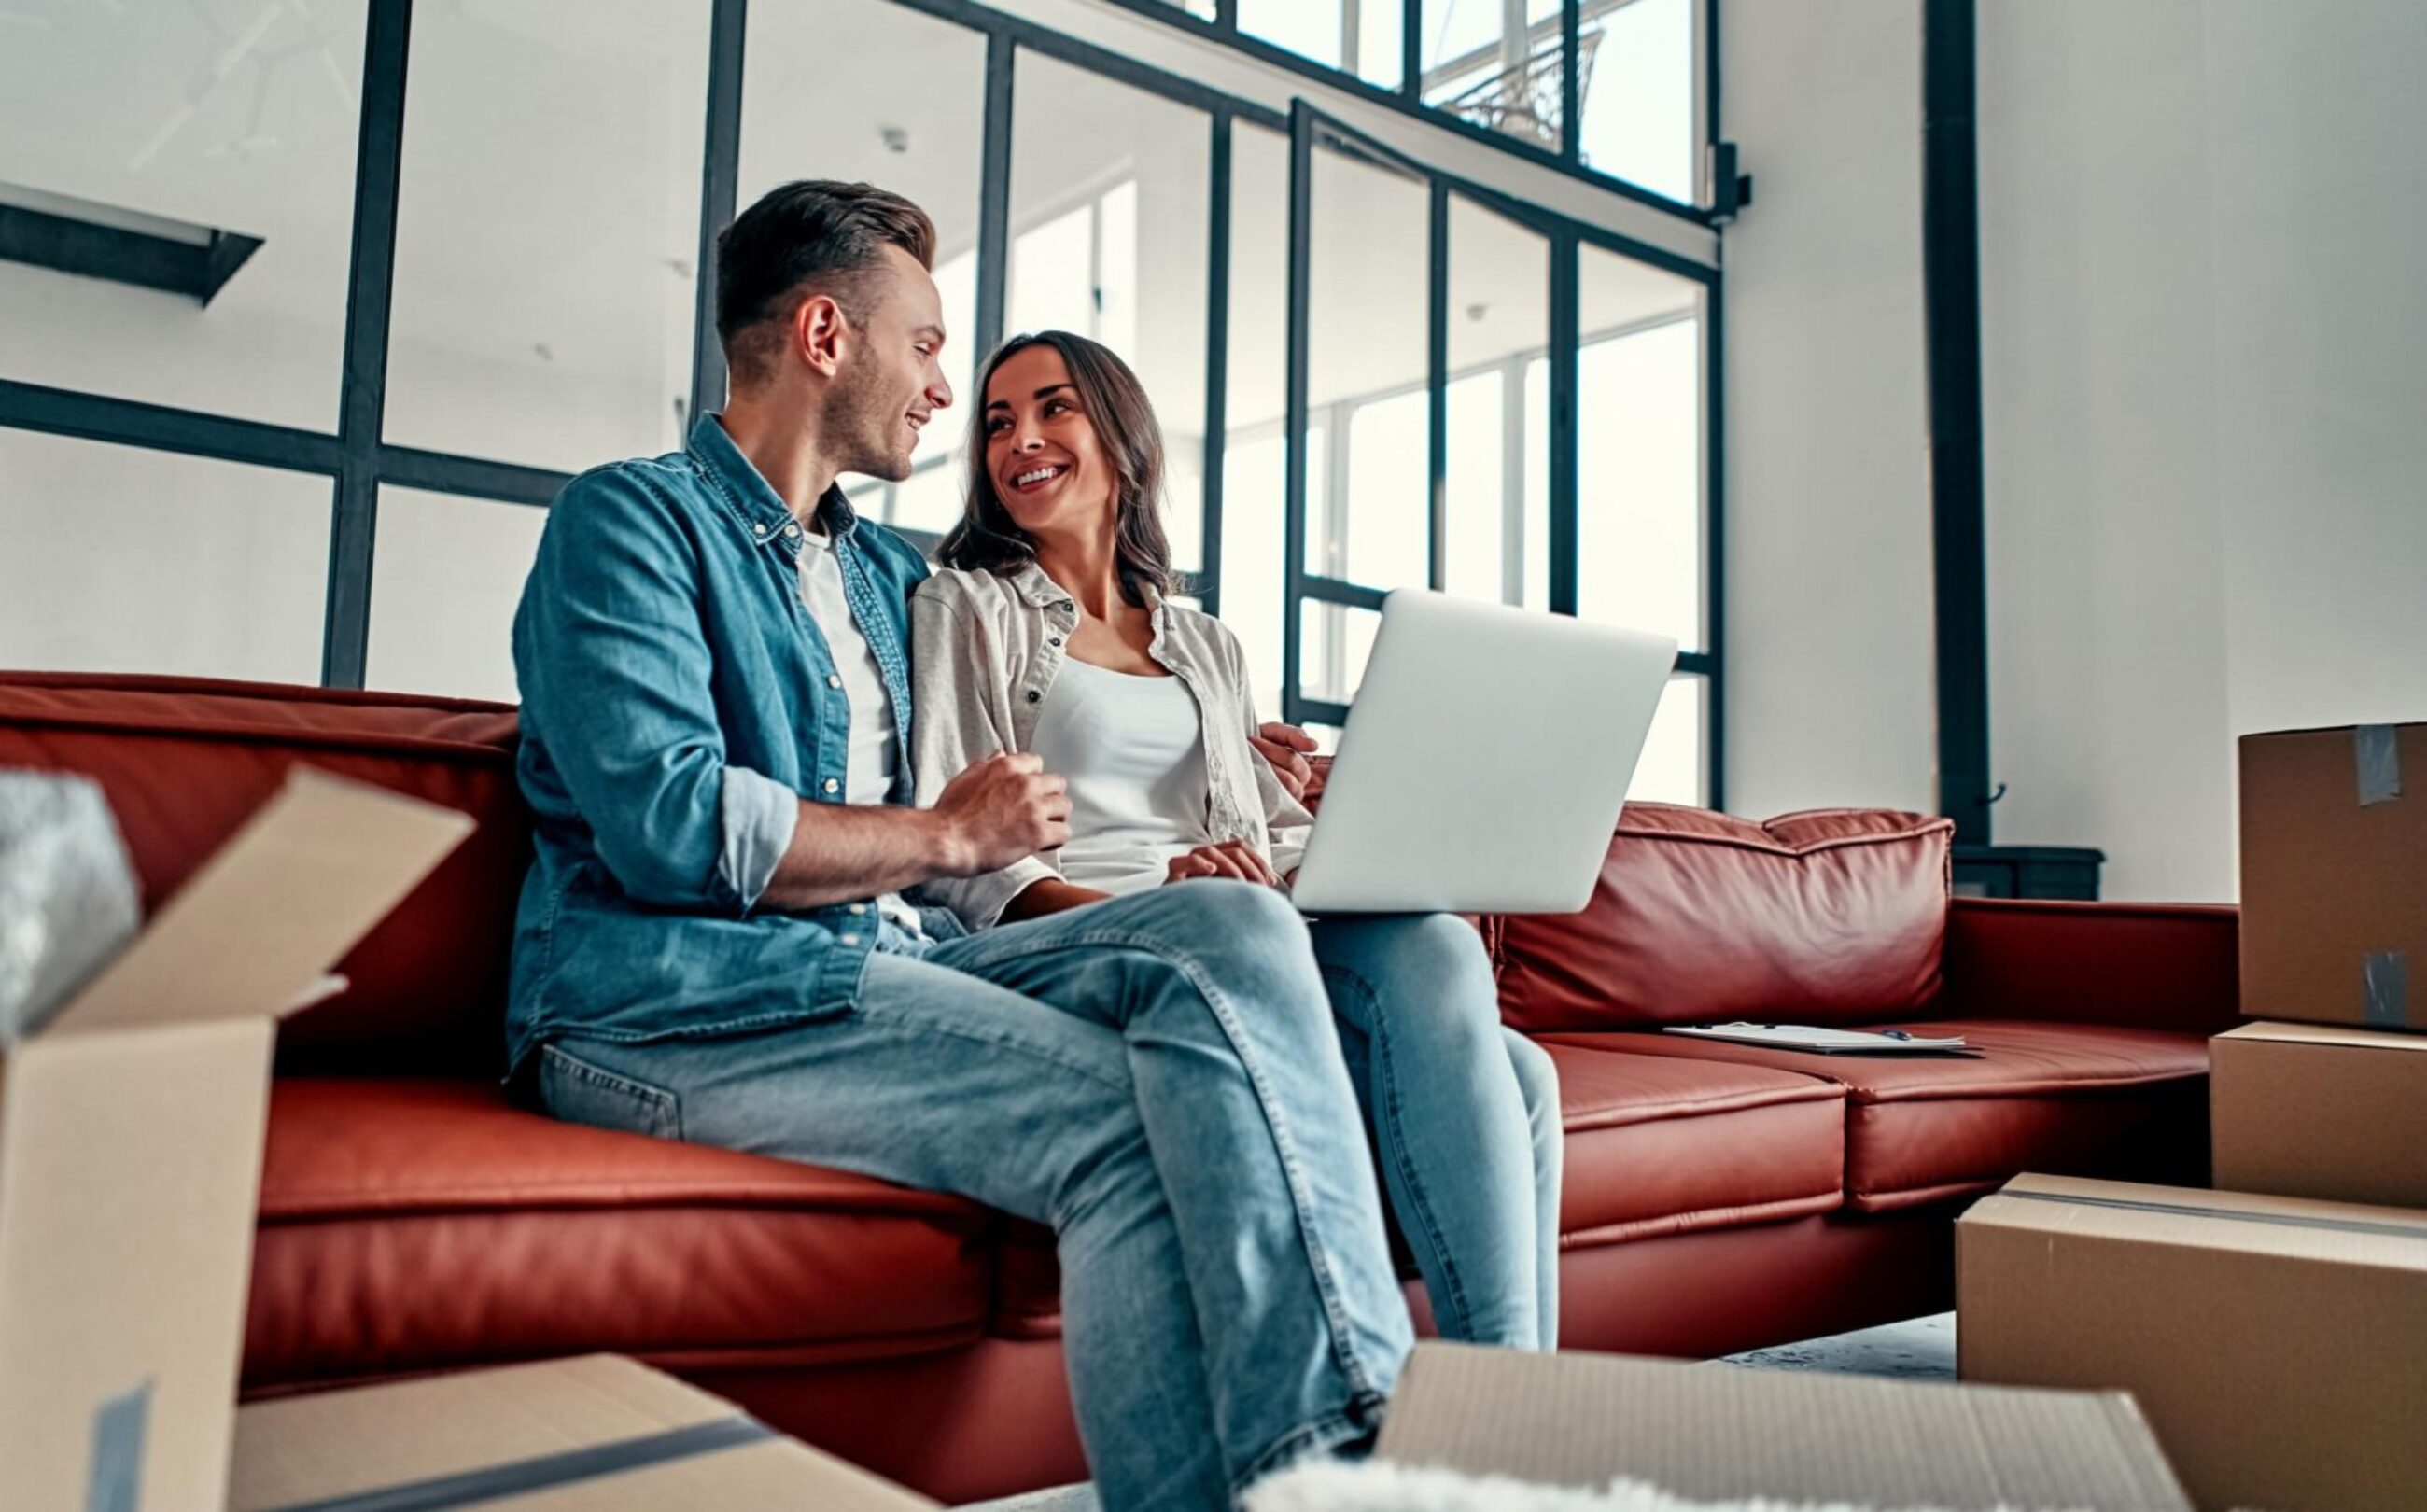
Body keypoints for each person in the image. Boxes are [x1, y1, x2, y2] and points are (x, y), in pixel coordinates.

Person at [506, 180, 1415, 1511]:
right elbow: (669, 827)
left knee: (1231, 927)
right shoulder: (628, 524)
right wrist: (942, 832)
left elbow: (1017, 731)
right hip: (679, 1001)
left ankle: (1336, 1436)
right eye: (927, 346)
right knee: (1126, 1123)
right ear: (827, 336)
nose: (945, 391)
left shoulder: (887, 580)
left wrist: (1237, 751)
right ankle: (1339, 1460)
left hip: (902, 962)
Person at [909, 330, 1563, 1353]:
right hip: (1073, 942)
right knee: (1316, 946)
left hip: (1237, 930)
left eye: (1051, 409)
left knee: (1508, 1051)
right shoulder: (967, 605)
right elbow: (968, 867)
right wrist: (1182, 906)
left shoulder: (1204, 642)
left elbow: (1272, 832)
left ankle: (1513, 1408)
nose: (1019, 440)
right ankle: (1511, 1419)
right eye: (997, 422)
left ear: (1121, 437)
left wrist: (1358, 838)